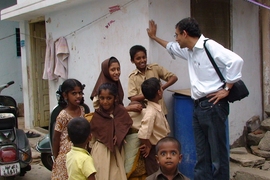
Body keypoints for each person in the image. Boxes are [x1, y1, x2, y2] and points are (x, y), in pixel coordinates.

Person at [147, 18, 244, 180]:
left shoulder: (209, 46)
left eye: (177, 35)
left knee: (218, 155)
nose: (176, 38)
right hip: (198, 107)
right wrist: (154, 37)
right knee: (202, 154)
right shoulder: (189, 50)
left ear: (185, 34)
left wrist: (226, 89)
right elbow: (171, 47)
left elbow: (236, 61)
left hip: (214, 105)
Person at [90, 82, 133, 180]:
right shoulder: (98, 114)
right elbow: (93, 134)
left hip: (116, 151)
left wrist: (119, 134)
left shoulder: (121, 111)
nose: (105, 101)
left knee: (116, 175)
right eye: (102, 98)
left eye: (109, 98)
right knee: (101, 174)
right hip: (101, 150)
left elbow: (125, 125)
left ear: (115, 98)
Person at [51, 78, 87, 180]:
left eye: (80, 93)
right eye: (74, 93)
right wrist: (56, 157)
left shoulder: (82, 110)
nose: (78, 96)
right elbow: (56, 138)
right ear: (65, 95)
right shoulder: (63, 115)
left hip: (79, 152)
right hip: (65, 156)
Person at [128, 45, 178, 115]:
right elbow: (132, 98)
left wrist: (161, 88)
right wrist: (150, 94)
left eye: (144, 57)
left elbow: (174, 78)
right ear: (132, 60)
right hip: (145, 113)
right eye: (138, 58)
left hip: (161, 111)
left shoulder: (154, 68)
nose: (142, 60)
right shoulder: (132, 77)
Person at [138, 77, 171, 176]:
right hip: (154, 150)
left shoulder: (156, 108)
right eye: (161, 88)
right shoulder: (151, 112)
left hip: (162, 147)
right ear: (159, 92)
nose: (162, 90)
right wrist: (148, 146)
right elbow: (143, 134)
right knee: (155, 174)